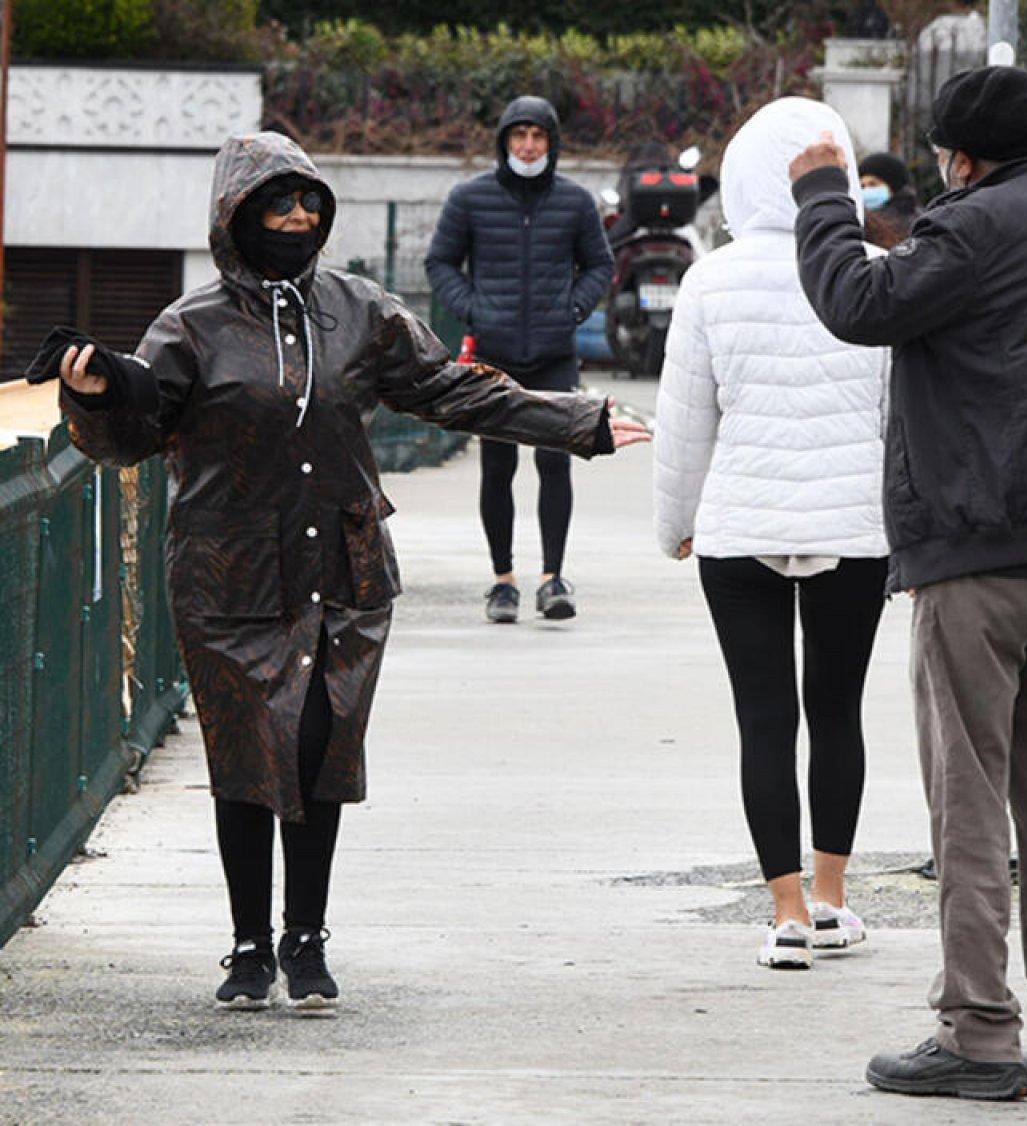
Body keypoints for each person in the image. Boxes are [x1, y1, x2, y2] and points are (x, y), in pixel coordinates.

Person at [50, 131, 648, 1014]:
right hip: (227, 573)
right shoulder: (191, 326)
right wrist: (93, 399)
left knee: (319, 746)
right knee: (244, 754)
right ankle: (249, 945)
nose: (297, 219)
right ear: (236, 217)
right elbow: (132, 439)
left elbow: (450, 389)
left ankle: (307, 937)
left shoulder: (360, 311)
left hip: (341, 566)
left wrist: (576, 421)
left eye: (309, 204)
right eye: (277, 205)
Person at [789, 66, 1027, 1099]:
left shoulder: (978, 223)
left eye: (946, 156)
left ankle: (977, 1029)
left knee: (969, 795)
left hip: (978, 552)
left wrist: (823, 197)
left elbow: (858, 302)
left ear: (966, 157)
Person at [654, 98, 889, 971]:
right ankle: (832, 899)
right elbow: (897, 416)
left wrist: (676, 522)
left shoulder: (709, 279)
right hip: (852, 527)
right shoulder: (873, 270)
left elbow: (686, 419)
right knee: (837, 711)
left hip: (740, 528)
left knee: (763, 719)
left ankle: (785, 915)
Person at [425, 95, 614, 624]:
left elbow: (599, 264)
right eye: (519, 135)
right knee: (497, 465)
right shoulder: (469, 199)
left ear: (551, 143)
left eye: (538, 136)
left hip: (554, 354)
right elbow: (441, 262)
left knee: (556, 462)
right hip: (494, 354)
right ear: (504, 141)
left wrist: (573, 308)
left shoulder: (575, 202)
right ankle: (503, 581)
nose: (528, 146)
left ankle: (553, 578)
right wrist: (473, 310)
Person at [858, 151, 923, 251]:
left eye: (873, 184)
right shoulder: (861, 218)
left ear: (893, 186)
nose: (866, 190)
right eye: (862, 186)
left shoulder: (917, 223)